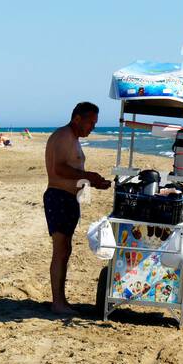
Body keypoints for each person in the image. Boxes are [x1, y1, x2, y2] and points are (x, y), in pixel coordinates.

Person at [43, 102, 111, 315]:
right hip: (59, 197)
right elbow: (59, 168)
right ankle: (58, 303)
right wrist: (88, 176)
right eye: (90, 122)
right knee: (60, 250)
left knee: (65, 250)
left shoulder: (72, 138)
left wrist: (92, 181)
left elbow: (73, 169)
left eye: (95, 123)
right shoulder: (64, 136)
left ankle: (60, 300)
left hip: (68, 198)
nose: (92, 127)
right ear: (77, 119)